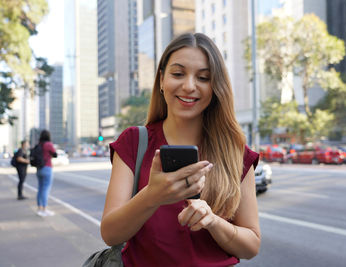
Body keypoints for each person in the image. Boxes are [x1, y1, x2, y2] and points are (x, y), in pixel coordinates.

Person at [101, 33, 261, 266]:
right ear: (162, 80)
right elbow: (110, 234)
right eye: (178, 74)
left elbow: (251, 246)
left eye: (204, 78)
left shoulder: (236, 152)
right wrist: (152, 195)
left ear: (215, 86)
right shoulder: (134, 142)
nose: (189, 86)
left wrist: (213, 221)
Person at [36, 130, 57, 217]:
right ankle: (44, 209)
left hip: (39, 169)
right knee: (46, 189)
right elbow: (55, 154)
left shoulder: (39, 144)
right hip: (47, 168)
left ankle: (39, 208)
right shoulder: (48, 144)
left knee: (40, 189)